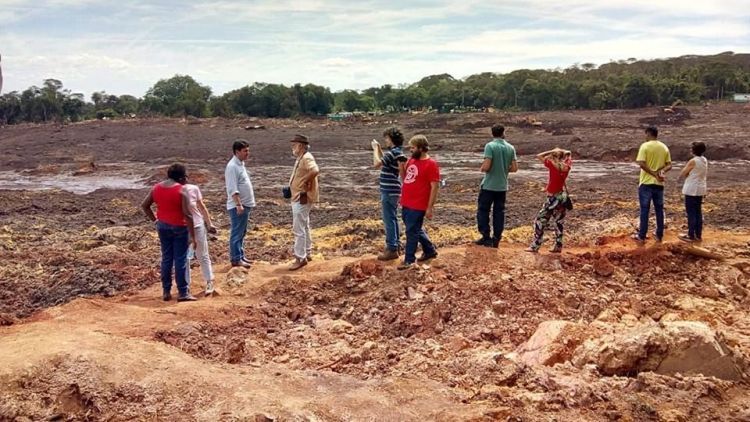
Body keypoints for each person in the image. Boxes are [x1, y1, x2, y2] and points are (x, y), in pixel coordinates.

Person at [141, 163, 197, 302]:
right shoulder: (181, 191)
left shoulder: (157, 188)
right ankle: (183, 292)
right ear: (182, 177)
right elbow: (188, 214)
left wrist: (155, 220)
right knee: (180, 259)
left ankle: (166, 290)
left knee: (166, 258)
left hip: (163, 226)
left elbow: (145, 205)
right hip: (179, 228)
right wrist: (192, 235)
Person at [398, 135, 439, 270]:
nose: (410, 150)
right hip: (406, 202)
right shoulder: (411, 161)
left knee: (411, 231)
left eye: (413, 148)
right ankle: (429, 250)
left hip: (418, 204)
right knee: (414, 228)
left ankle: (409, 259)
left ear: (421, 148)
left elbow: (434, 187)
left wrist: (429, 208)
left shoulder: (431, 164)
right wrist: (401, 166)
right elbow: (405, 179)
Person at [475, 124, 518, 248]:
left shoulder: (490, 146)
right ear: (503, 133)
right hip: (502, 186)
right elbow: (514, 168)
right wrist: (504, 169)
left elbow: (487, 166)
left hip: (489, 185)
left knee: (483, 211)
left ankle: (486, 237)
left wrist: (482, 168)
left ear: (492, 133)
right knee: (499, 213)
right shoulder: (511, 148)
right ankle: (496, 238)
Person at [525, 148, 572, 253]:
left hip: (552, 198)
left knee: (540, 220)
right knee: (558, 222)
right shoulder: (567, 166)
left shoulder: (551, 165)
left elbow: (539, 155)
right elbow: (569, 156)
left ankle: (535, 245)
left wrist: (550, 151)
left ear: (554, 156)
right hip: (562, 197)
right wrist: (565, 154)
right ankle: (558, 245)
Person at [371, 127, 408, 260]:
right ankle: (395, 245)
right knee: (393, 217)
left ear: (391, 139)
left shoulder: (392, 153)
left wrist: (375, 149)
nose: (385, 140)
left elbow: (377, 164)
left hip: (389, 190)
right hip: (394, 190)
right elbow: (384, 160)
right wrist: (380, 149)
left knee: (389, 219)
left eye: (386, 138)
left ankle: (391, 248)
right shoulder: (396, 152)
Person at [633, 126, 672, 244]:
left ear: (649, 134)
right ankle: (659, 234)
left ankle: (642, 236)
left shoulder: (645, 146)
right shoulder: (664, 147)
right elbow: (669, 165)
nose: (645, 137)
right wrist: (661, 172)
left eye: (646, 134)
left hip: (646, 182)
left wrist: (653, 174)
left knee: (645, 209)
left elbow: (641, 163)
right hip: (659, 184)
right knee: (659, 209)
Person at [288, 134, 320, 271]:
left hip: (301, 197)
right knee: (304, 225)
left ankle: (300, 257)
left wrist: (305, 181)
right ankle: (307, 252)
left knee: (299, 227)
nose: (292, 147)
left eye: (294, 144)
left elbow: (315, 170)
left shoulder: (307, 157)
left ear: (300, 146)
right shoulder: (301, 158)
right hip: (299, 196)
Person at [225, 139, 256, 268]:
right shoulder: (232, 167)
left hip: (245, 204)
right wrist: (238, 204)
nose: (247, 153)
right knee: (237, 232)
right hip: (238, 206)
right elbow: (232, 188)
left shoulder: (240, 164)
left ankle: (240, 255)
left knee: (242, 232)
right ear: (237, 152)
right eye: (245, 151)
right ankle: (236, 259)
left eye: (248, 150)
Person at [183, 182, 218, 295]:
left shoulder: (193, 189)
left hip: (197, 225)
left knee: (202, 254)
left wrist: (209, 224)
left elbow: (202, 206)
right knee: (184, 258)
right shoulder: (173, 191)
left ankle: (209, 281)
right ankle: (186, 285)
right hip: (182, 228)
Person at [678, 141, 708, 242]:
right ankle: (698, 235)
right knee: (698, 212)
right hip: (700, 188)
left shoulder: (693, 161)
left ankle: (691, 235)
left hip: (691, 189)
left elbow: (683, 172)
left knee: (691, 212)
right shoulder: (704, 160)